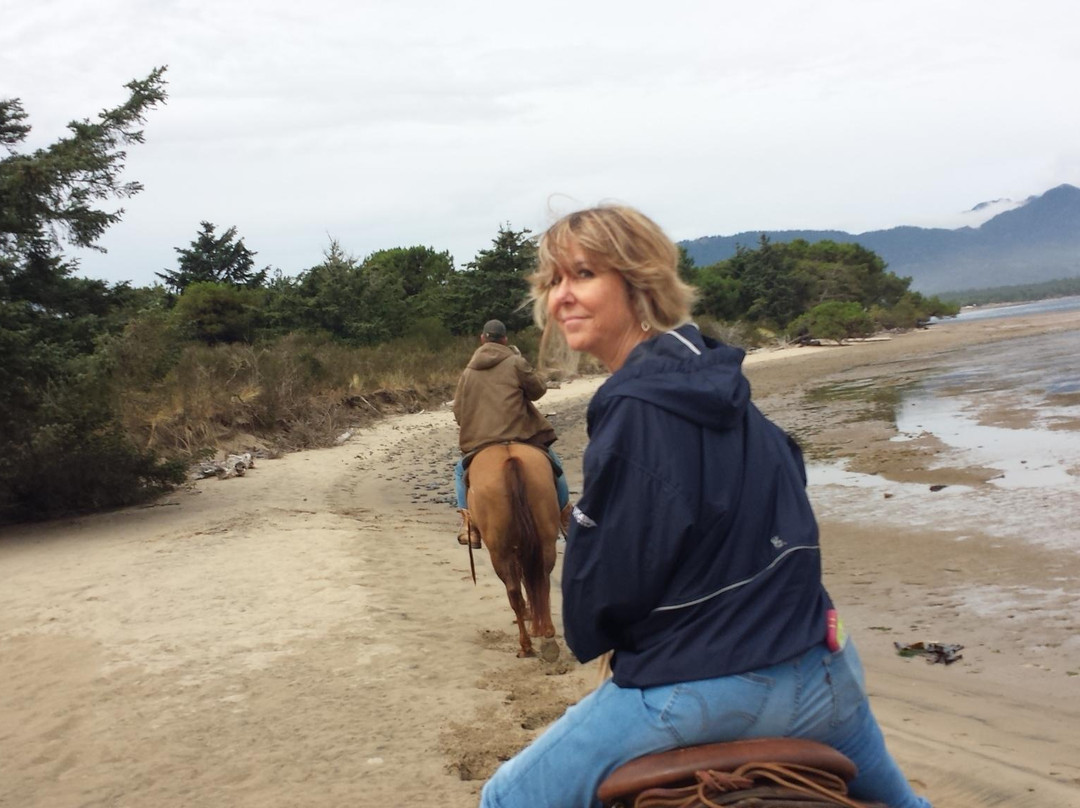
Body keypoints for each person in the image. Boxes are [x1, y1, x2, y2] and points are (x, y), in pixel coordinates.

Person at [478, 207, 931, 808]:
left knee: (505, 797)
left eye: (582, 274)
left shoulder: (635, 406)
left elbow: (608, 582)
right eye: (553, 281)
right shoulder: (719, 380)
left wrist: (597, 625)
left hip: (704, 691)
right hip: (826, 666)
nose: (562, 296)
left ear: (638, 282)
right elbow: (790, 489)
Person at [452, 318, 571, 548]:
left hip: (482, 441)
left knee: (460, 471)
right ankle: (565, 518)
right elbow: (537, 391)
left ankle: (468, 526)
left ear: (482, 339)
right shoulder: (515, 362)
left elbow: (459, 412)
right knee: (555, 465)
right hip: (520, 435)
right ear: (505, 339)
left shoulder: (468, 371)